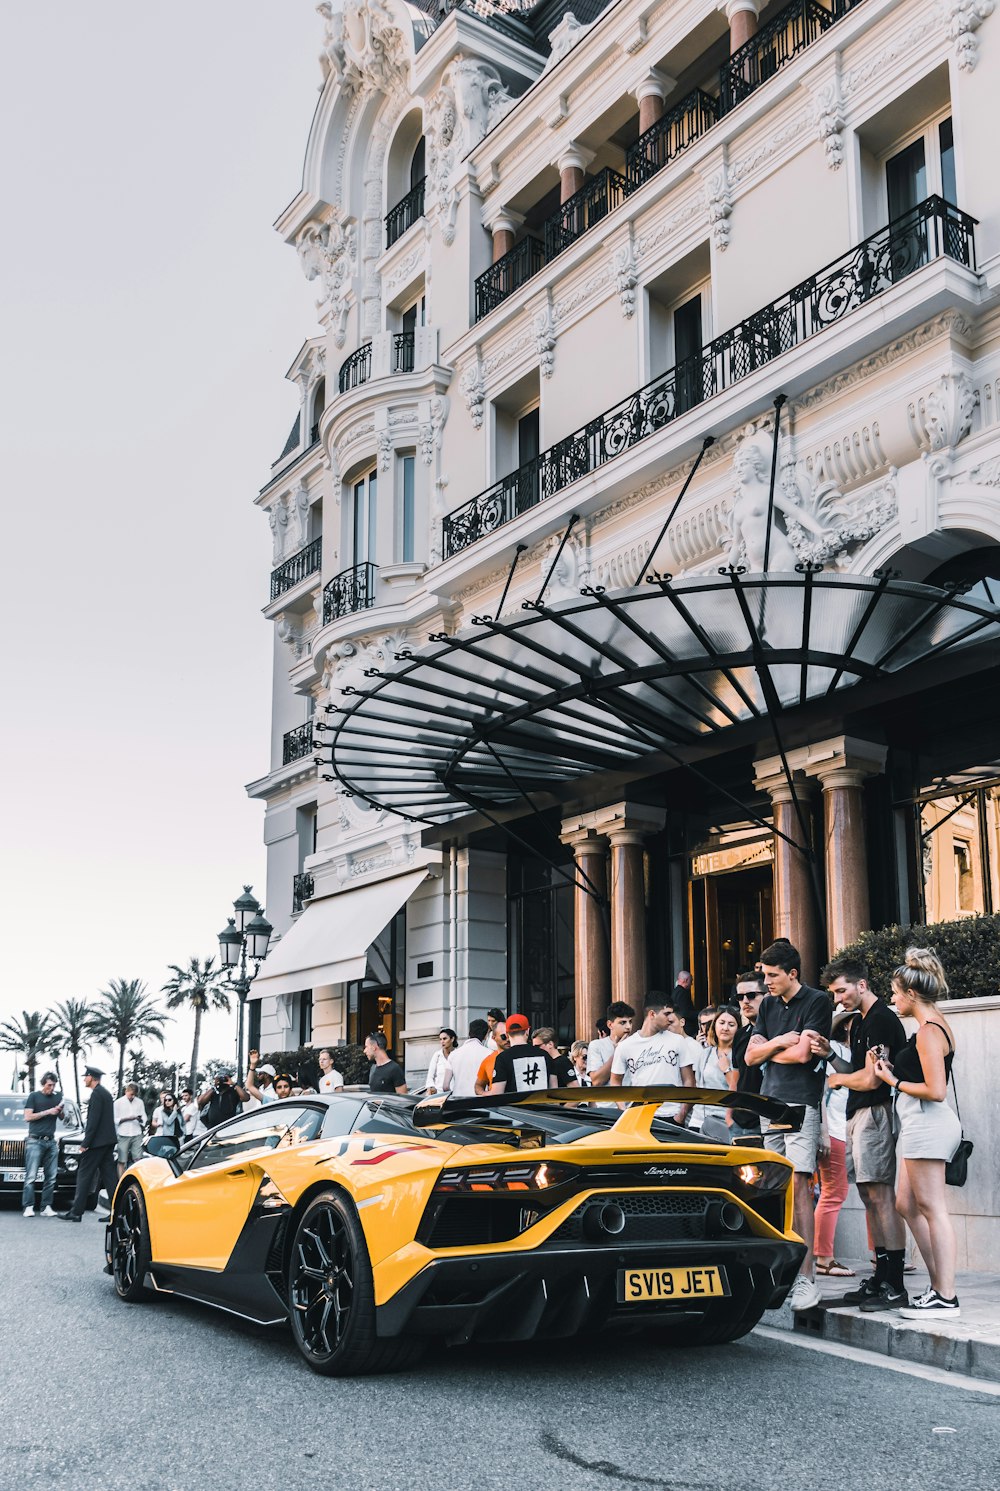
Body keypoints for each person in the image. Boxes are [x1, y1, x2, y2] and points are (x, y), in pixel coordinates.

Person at [811, 956, 909, 1310]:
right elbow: (856, 1069)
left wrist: (835, 1080)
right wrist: (831, 1058)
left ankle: (894, 1283)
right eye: (834, 993)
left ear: (861, 985)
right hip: (859, 1113)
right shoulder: (862, 1022)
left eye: (842, 991)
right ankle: (881, 1276)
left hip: (875, 1113)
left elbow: (870, 1078)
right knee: (869, 1196)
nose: (838, 999)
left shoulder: (881, 1019)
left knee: (881, 1196)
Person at [871, 948, 962, 1318]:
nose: (892, 999)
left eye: (894, 992)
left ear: (910, 994)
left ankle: (946, 1294)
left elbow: (936, 1090)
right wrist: (893, 1067)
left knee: (933, 1208)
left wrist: (891, 1078)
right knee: (906, 1204)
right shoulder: (929, 1027)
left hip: (928, 1121)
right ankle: (938, 1286)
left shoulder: (928, 1032)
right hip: (918, 1122)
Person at [744, 939, 832, 1311]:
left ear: (793, 973)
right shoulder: (766, 1006)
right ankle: (780, 1271)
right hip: (770, 1102)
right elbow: (750, 1057)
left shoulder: (817, 1001)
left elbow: (802, 1054)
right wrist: (779, 1040)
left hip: (799, 1104)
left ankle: (807, 1278)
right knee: (771, 1186)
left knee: (798, 1184)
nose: (766, 983)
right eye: (764, 976)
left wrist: (771, 1049)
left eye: (773, 976)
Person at [609, 999, 696, 1124]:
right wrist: (623, 1110)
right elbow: (615, 1081)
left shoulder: (677, 1040)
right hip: (638, 1115)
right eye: (666, 1014)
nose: (671, 1018)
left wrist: (681, 1114)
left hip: (671, 1114)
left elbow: (689, 1080)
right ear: (652, 1014)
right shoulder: (626, 1046)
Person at [813, 1013, 852, 1280]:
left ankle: (878, 1254)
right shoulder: (834, 1050)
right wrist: (823, 1130)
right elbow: (820, 1092)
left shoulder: (850, 1050)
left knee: (876, 1194)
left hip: (850, 1129)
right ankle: (824, 1258)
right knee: (833, 1192)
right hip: (835, 1129)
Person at [60, 1066, 119, 1223]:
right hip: (107, 1142)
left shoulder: (96, 1095)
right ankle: (118, 1213)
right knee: (110, 1178)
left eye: (86, 1076)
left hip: (96, 1143)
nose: (84, 1079)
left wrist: (85, 1143)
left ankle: (76, 1212)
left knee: (84, 1175)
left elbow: (93, 1121)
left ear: (92, 1077)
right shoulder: (105, 1094)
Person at [730, 972, 767, 1139]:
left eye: (751, 995)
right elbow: (736, 1078)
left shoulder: (776, 1032)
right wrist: (729, 1116)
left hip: (767, 1119)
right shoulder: (740, 1034)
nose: (745, 1001)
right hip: (739, 1120)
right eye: (740, 997)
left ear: (767, 996)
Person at [693, 1005, 740, 1133]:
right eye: (722, 1023)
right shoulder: (705, 1053)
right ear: (715, 1026)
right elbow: (697, 1085)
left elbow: (737, 1089)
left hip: (723, 1121)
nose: (725, 1028)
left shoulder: (739, 1054)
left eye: (731, 1024)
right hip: (699, 1119)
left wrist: (726, 1070)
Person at [22, 1071, 63, 1217]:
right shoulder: (34, 1096)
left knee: (51, 1177)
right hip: (34, 1141)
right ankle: (28, 1206)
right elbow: (27, 1117)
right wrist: (48, 1112)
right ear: (43, 1084)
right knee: (31, 1176)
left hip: (51, 1141)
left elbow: (62, 1117)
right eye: (49, 1085)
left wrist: (60, 1111)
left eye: (53, 1085)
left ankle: (46, 1207)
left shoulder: (58, 1096)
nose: (51, 1088)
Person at [489, 1014, 557, 1094]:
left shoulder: (503, 1058)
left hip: (515, 1106)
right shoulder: (545, 1055)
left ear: (507, 1034)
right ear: (527, 1031)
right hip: (542, 1106)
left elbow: (497, 1093)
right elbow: (554, 1091)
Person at [585, 1002, 635, 1086]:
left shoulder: (636, 1044)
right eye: (623, 1022)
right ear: (610, 1025)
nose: (628, 1026)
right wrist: (617, 1052)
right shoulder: (597, 1045)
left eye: (630, 1022)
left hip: (632, 1098)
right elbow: (597, 1082)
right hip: (606, 1098)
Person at [447, 1019, 491, 1099]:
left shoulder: (453, 1055)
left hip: (458, 1100)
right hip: (480, 1101)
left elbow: (445, 1086)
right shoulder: (489, 1054)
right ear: (485, 1035)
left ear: (469, 1033)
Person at [113, 1082, 146, 1176]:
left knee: (138, 1159)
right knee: (122, 1160)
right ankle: (121, 1182)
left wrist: (140, 1119)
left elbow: (144, 1116)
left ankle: (136, 1180)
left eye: (134, 1095)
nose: (132, 1096)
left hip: (136, 1133)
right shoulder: (118, 1103)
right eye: (131, 1094)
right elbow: (115, 1119)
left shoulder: (139, 1102)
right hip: (123, 1134)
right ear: (126, 1091)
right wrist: (128, 1118)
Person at [475, 1022, 507, 1094]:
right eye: (503, 1036)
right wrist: (486, 1094)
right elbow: (478, 1085)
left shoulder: (518, 1054)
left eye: (510, 1035)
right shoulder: (488, 1060)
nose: (507, 1039)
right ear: (494, 1037)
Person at [426, 1029, 457, 1095]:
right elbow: (430, 1076)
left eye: (444, 1039)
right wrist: (432, 1087)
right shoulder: (437, 1055)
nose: (442, 1041)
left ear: (452, 1039)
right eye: (440, 1039)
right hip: (439, 1095)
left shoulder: (458, 1054)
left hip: (455, 1095)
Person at [671, 970, 697, 1037]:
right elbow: (685, 1013)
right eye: (691, 981)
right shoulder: (682, 993)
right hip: (687, 1028)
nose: (691, 984)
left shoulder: (676, 991)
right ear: (686, 980)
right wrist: (702, 1012)